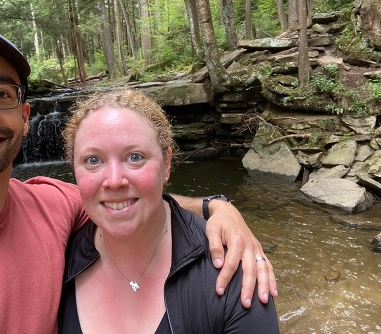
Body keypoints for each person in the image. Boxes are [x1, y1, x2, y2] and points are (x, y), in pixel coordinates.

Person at [0, 20, 275, 333]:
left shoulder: (51, 206)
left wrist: (218, 207)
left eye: (0, 93)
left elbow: (127, 198)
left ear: (25, 119)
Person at [58, 90, 279, 333]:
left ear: (167, 164)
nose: (113, 181)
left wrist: (220, 207)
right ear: (74, 171)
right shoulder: (56, 258)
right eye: (93, 160)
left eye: (135, 157)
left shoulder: (232, 269)